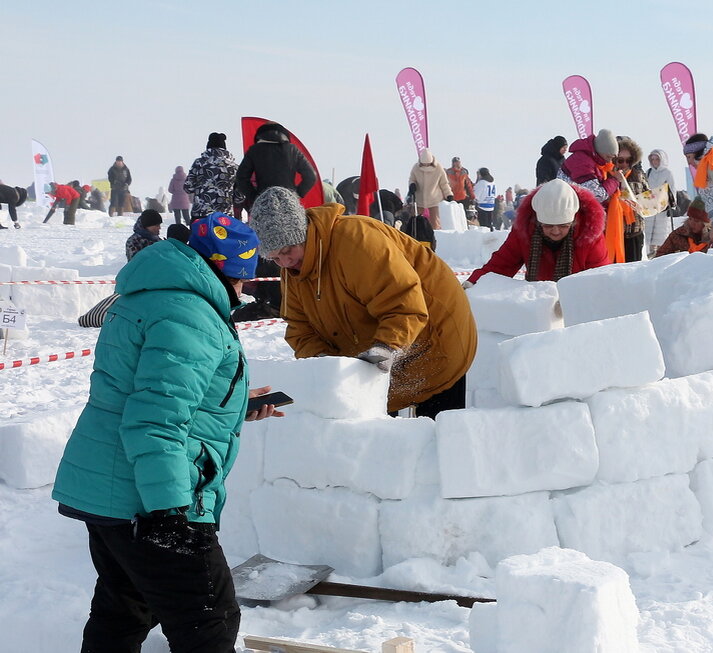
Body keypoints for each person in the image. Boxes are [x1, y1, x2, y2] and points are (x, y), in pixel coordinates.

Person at [52, 213, 282, 652]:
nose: (243, 291)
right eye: (241, 281)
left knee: (123, 610)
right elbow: (154, 420)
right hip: (148, 500)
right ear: (224, 269)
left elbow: (150, 392)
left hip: (109, 489)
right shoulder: (190, 314)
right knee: (208, 621)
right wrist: (169, 514)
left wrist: (232, 403)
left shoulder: (150, 294)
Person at [250, 186, 476, 418]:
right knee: (382, 436)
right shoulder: (294, 270)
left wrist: (387, 346)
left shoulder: (356, 240)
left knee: (439, 436)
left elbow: (402, 301)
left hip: (435, 336)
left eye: (288, 251)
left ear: (304, 234)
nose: (285, 262)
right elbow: (299, 328)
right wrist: (322, 360)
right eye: (275, 258)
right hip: (378, 350)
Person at [465, 179, 609, 284]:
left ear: (573, 221)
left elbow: (600, 282)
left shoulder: (590, 236)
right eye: (548, 226)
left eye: (563, 226)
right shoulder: (524, 230)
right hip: (538, 304)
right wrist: (473, 283)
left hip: (577, 304)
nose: (556, 231)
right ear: (538, 221)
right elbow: (501, 265)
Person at [236, 122, 316, 208]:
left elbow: (241, 177)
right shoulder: (293, 150)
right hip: (289, 203)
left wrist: (254, 197)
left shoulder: (254, 150)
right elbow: (311, 176)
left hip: (264, 203)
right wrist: (296, 195)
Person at [185, 132, 242, 221]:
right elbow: (240, 196)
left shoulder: (199, 163)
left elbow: (188, 187)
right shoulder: (234, 167)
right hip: (225, 216)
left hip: (200, 215)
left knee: (200, 235)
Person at [558, 127, 620, 205]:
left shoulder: (587, 159)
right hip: (568, 207)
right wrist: (614, 181)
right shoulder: (583, 162)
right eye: (608, 157)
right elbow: (596, 195)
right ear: (599, 150)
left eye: (612, 158)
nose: (609, 161)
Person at [616, 136, 649, 263]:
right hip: (615, 233)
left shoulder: (638, 176)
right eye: (620, 160)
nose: (624, 164)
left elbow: (648, 199)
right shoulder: (608, 177)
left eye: (628, 160)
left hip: (635, 231)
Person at [407, 148, 452, 230]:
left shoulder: (438, 168)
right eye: (424, 164)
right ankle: (415, 236)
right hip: (419, 199)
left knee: (435, 222)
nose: (426, 166)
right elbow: (412, 179)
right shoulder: (416, 168)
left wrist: (449, 194)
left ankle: (436, 237)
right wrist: (412, 185)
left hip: (435, 199)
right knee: (414, 220)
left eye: (428, 164)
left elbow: (444, 184)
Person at [644, 149, 677, 257]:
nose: (654, 161)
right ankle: (650, 254)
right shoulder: (648, 172)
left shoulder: (668, 173)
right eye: (652, 159)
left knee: (661, 231)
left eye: (657, 159)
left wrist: (671, 205)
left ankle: (661, 253)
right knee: (649, 232)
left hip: (662, 207)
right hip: (650, 206)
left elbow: (672, 189)